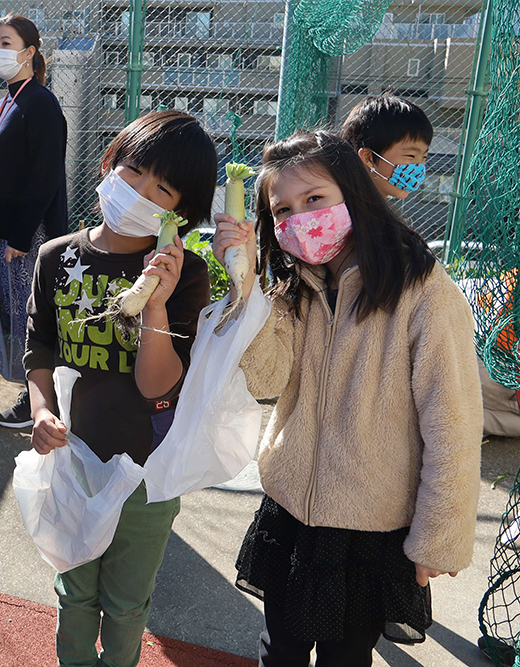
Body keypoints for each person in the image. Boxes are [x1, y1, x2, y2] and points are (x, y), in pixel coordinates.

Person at [214, 130, 481, 666]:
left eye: (315, 199)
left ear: (353, 192)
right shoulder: (293, 285)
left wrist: (440, 533)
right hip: (290, 509)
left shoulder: (423, 287)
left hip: (369, 526)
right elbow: (265, 381)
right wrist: (243, 289)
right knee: (279, 651)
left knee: (346, 659)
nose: (300, 217)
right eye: (283, 209)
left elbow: (452, 421)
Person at [25, 110, 215, 667]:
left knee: (127, 603)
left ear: (180, 214)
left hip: (148, 471)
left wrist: (156, 301)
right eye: (132, 172)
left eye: (163, 190)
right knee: (73, 590)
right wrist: (40, 411)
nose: (140, 193)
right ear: (108, 164)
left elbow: (158, 381)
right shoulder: (56, 257)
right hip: (72, 458)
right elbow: (40, 351)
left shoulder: (189, 275)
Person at [342, 94, 520, 438]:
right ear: (368, 158)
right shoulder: (362, 220)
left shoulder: (378, 214)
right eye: (410, 157)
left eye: (423, 158)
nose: (419, 168)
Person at [0, 13, 68, 428]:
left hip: (25, 234)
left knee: (28, 316)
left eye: (6, 43)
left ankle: (36, 400)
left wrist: (21, 236)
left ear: (30, 51)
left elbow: (45, 177)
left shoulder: (41, 103)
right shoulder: (9, 99)